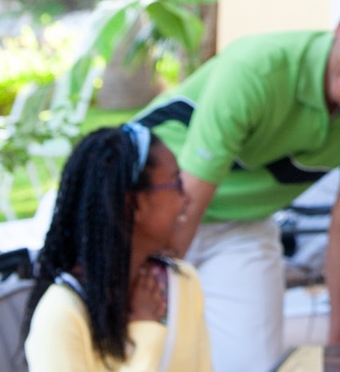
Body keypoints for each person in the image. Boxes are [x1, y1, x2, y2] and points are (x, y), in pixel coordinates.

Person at [135, 0, 340, 372]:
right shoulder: (258, 68)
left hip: (241, 225)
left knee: (251, 364)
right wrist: (148, 285)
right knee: (149, 345)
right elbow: (189, 198)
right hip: (151, 211)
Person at [22, 123, 211, 371]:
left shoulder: (183, 282)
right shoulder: (61, 316)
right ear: (135, 203)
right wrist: (145, 333)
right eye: (176, 184)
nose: (186, 198)